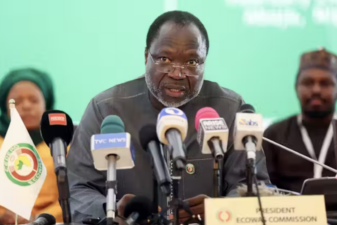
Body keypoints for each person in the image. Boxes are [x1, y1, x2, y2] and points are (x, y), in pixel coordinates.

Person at [67, 10, 270, 223]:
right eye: (164, 59)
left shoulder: (229, 109)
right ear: (146, 56)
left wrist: (220, 210)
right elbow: (78, 189)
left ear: (204, 63)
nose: (177, 73)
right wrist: (109, 210)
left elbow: (253, 187)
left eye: (192, 62)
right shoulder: (106, 109)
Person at [263, 48, 337, 193]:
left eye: (325, 83)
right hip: (291, 214)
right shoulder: (274, 135)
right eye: (308, 83)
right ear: (296, 88)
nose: (316, 90)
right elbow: (264, 188)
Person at [0, 68, 63, 224]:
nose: (26, 106)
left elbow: (75, 194)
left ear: (46, 105)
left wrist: (40, 218)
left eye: (34, 100)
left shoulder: (62, 144)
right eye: (16, 101)